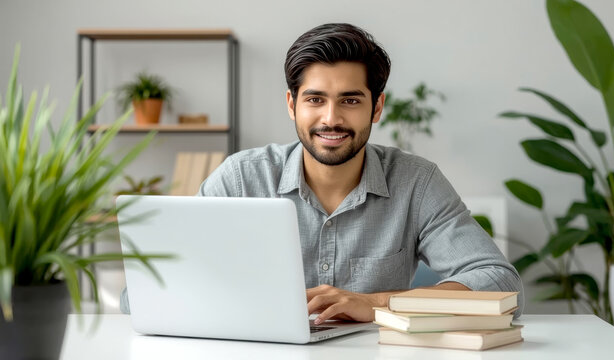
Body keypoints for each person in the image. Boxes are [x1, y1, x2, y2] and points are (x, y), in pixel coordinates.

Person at [121, 23, 524, 322]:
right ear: (292, 104)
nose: (331, 119)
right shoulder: (241, 179)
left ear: (377, 107)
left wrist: (377, 302)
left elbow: (501, 284)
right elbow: (139, 294)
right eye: (315, 99)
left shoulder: (416, 182)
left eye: (350, 100)